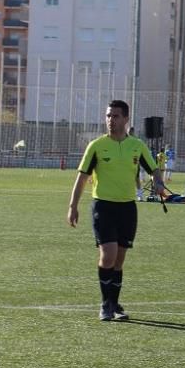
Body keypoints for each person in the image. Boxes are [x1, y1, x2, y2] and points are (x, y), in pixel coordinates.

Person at [67, 99, 165, 321]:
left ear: (126, 119)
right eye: (108, 116)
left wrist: (158, 183)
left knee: (119, 261)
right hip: (103, 206)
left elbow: (154, 169)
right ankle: (105, 305)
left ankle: (114, 303)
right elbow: (82, 177)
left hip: (128, 209)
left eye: (116, 116)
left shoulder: (137, 146)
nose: (110, 120)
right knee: (108, 256)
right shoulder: (96, 146)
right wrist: (73, 206)